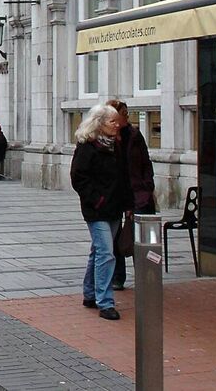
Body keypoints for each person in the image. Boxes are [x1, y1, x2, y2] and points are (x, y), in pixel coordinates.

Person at [71, 104, 128, 321]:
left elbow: (123, 176)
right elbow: (78, 178)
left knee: (98, 251)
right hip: (96, 209)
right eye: (113, 121)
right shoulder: (88, 147)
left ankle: (89, 293)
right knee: (106, 252)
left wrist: (127, 202)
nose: (117, 125)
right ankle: (105, 302)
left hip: (115, 207)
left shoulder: (117, 145)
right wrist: (97, 199)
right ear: (100, 123)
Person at [109, 99, 156, 290]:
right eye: (124, 113)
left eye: (127, 113)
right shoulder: (106, 137)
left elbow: (146, 162)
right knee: (115, 236)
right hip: (114, 193)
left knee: (142, 235)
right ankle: (117, 277)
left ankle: (146, 274)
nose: (127, 116)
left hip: (138, 192)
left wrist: (147, 186)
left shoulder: (134, 135)